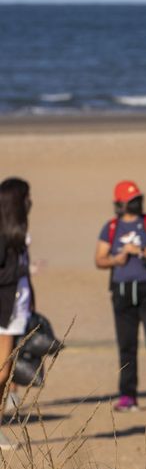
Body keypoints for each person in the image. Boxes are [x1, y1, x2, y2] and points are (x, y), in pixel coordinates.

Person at [94, 180, 146, 411]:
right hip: (122, 292)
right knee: (126, 345)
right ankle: (128, 395)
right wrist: (115, 260)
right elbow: (99, 259)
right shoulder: (110, 228)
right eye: (131, 201)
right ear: (120, 204)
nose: (136, 204)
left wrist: (139, 251)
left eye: (138, 200)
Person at [0, 178, 35, 451]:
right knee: (2, 371)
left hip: (17, 308)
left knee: (5, 371)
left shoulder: (18, 232)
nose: (30, 202)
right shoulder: (3, 235)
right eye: (26, 197)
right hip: (4, 309)